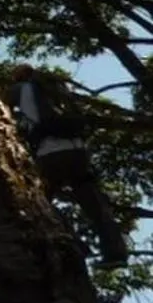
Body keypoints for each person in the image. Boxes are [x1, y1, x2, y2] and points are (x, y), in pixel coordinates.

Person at [9, 65, 132, 269]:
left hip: (48, 154)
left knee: (36, 204)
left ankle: (71, 244)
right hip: (77, 153)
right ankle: (115, 253)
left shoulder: (20, 89)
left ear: (19, 77)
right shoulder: (58, 88)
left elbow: (2, 108)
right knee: (96, 206)